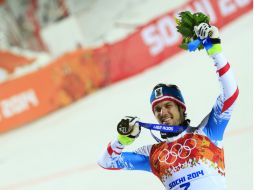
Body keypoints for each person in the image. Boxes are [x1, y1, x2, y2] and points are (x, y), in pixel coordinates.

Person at [97, 23, 239, 190]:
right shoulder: (152, 154)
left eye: (168, 105)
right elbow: (106, 162)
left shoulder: (207, 132)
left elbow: (230, 93)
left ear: (181, 108)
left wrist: (215, 51)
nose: (162, 112)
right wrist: (121, 140)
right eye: (157, 109)